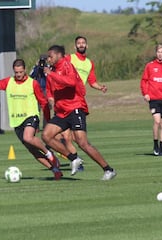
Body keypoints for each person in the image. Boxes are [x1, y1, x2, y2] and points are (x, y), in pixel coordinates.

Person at [0, 59, 63, 180]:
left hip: (31, 116)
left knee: (27, 137)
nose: (18, 74)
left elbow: (43, 102)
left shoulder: (32, 83)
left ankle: (50, 154)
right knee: (32, 150)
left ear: (25, 70)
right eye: (16, 72)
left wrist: (47, 122)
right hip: (17, 121)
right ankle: (55, 170)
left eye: (20, 72)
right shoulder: (9, 82)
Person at [42, 45, 116, 180]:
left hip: (75, 108)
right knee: (46, 136)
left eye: (51, 56)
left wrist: (51, 74)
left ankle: (108, 170)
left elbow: (70, 82)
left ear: (59, 55)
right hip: (62, 112)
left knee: (82, 143)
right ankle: (74, 158)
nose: (49, 59)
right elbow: (49, 89)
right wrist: (51, 99)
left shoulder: (67, 66)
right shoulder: (52, 70)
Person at [57, 35, 108, 173]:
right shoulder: (69, 58)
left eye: (83, 43)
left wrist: (100, 87)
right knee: (65, 136)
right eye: (78, 43)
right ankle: (76, 161)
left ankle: (78, 159)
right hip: (65, 100)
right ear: (75, 46)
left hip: (78, 101)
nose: (81, 45)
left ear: (87, 45)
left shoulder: (89, 63)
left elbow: (92, 81)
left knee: (75, 138)